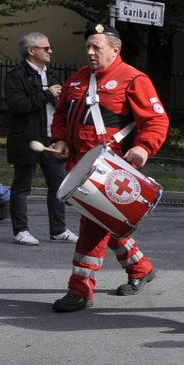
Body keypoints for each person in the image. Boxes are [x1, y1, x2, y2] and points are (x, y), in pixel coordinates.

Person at [47, 22, 169, 312]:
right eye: (88, 46)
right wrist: (60, 139)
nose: (90, 52)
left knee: (93, 226)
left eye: (96, 48)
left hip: (112, 171)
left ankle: (79, 290)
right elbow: (62, 115)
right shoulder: (78, 79)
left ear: (115, 50)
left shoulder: (133, 79)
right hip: (80, 167)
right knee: (107, 222)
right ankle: (140, 268)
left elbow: (156, 120)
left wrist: (143, 147)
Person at [6, 32, 72, 246]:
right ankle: (21, 230)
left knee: (59, 184)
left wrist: (61, 99)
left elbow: (60, 106)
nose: (50, 51)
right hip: (28, 139)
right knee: (22, 185)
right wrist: (46, 94)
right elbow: (18, 106)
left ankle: (59, 230)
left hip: (51, 139)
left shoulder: (51, 75)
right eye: (46, 48)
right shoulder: (16, 76)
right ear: (31, 51)